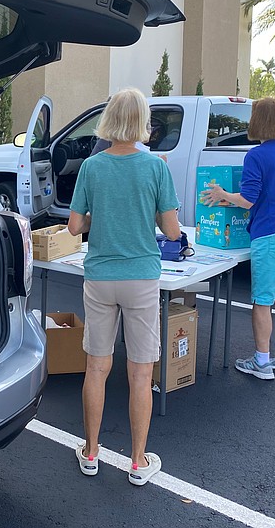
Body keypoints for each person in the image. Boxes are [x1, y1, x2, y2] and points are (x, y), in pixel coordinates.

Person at [67, 87, 180, 485]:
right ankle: (136, 461)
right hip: (141, 277)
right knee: (139, 372)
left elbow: (75, 225)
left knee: (96, 368)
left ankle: (91, 451)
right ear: (143, 123)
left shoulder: (92, 167)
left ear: (109, 121)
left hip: (100, 276)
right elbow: (171, 229)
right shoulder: (156, 168)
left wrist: (105, 218)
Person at [200, 97, 275, 380]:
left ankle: (262, 361)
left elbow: (248, 200)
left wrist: (222, 194)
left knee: (262, 301)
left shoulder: (256, 156)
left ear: (258, 121)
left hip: (270, 233)